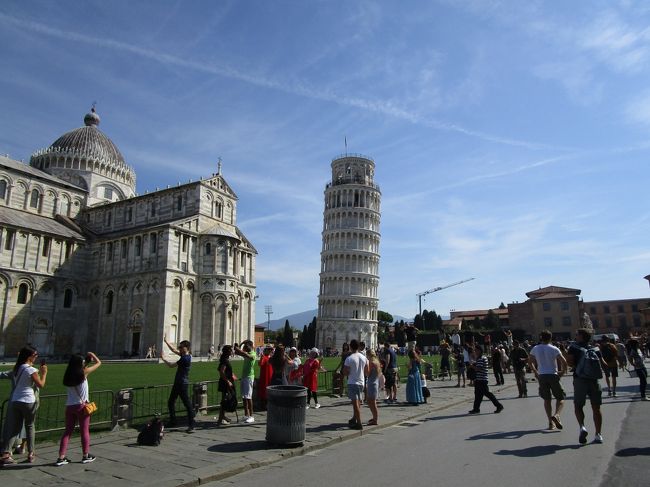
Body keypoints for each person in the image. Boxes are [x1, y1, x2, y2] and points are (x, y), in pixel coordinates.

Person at [1, 346, 47, 465]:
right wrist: (44, 373)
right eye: (35, 355)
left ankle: (6, 454)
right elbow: (41, 384)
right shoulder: (31, 370)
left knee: (14, 428)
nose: (36, 357)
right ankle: (31, 453)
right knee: (30, 426)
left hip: (15, 400)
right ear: (29, 356)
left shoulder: (17, 368)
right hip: (28, 401)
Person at [55, 352, 102, 466]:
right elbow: (99, 363)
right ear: (80, 364)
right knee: (84, 431)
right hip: (82, 407)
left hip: (69, 406)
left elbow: (82, 366)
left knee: (67, 432)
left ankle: (61, 457)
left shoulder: (68, 375)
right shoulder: (83, 373)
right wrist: (92, 354)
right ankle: (85, 455)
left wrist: (86, 360)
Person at [565, 328, 607, 444]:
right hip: (594, 380)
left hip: (580, 379)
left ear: (581, 336)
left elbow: (570, 362)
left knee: (578, 406)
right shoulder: (596, 348)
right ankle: (598, 434)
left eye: (577, 334)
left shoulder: (574, 347)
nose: (575, 336)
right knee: (596, 407)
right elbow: (603, 363)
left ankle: (582, 427)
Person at [528, 330, 567, 430]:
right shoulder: (554, 348)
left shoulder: (535, 348)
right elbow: (564, 361)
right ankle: (557, 415)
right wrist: (562, 372)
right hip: (553, 374)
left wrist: (536, 372)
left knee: (547, 399)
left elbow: (530, 361)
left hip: (542, 375)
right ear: (550, 338)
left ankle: (550, 423)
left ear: (541, 337)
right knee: (560, 397)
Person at [161, 336, 195, 432]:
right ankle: (173, 420)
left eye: (181, 347)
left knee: (187, 404)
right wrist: (166, 341)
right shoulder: (187, 355)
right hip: (178, 383)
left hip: (182, 384)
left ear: (186, 348)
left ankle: (191, 424)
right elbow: (174, 350)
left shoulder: (185, 359)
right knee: (171, 402)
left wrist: (164, 359)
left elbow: (171, 365)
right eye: (179, 347)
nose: (179, 349)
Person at [468, 345, 503, 414]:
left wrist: (472, 366)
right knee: (478, 395)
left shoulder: (481, 358)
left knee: (487, 394)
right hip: (479, 379)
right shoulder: (480, 358)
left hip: (482, 380)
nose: (475, 352)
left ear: (480, 351)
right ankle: (476, 409)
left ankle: (499, 406)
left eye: (476, 350)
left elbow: (479, 369)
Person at [343, 339, 368, 430]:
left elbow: (345, 372)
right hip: (361, 382)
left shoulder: (349, 358)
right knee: (358, 403)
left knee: (355, 403)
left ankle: (359, 423)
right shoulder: (364, 358)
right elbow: (367, 371)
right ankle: (354, 418)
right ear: (358, 347)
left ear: (350, 347)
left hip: (352, 382)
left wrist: (349, 372)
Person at [234, 340, 256, 423]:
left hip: (249, 377)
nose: (245, 348)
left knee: (248, 397)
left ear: (250, 346)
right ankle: (246, 414)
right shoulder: (246, 353)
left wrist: (239, 348)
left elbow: (245, 354)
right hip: (244, 376)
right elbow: (237, 353)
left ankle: (251, 416)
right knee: (244, 397)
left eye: (246, 347)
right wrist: (239, 345)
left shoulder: (252, 354)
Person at [217, 345, 235, 426]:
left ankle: (223, 417)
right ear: (228, 351)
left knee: (225, 400)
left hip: (226, 381)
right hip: (225, 383)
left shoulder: (225, 359)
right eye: (231, 350)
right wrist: (228, 381)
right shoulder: (224, 360)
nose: (232, 351)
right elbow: (221, 371)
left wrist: (232, 375)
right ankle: (220, 420)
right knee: (225, 401)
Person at [365, 349, 381, 425]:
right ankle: (374, 417)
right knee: (370, 401)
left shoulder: (371, 363)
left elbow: (368, 374)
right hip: (375, 382)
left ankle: (375, 419)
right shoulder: (377, 362)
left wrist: (365, 368)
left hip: (371, 383)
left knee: (372, 402)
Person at [257, 346, 274, 410]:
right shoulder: (264, 357)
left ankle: (268, 404)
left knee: (269, 390)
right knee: (264, 391)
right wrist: (261, 357)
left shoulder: (271, 358)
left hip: (270, 376)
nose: (270, 351)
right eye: (268, 350)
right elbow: (260, 364)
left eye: (270, 350)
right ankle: (263, 405)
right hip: (264, 377)